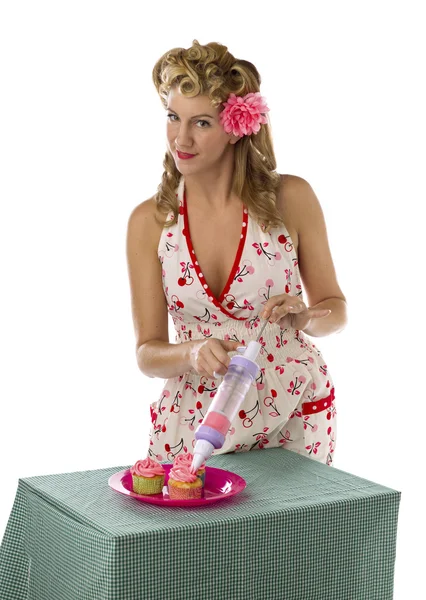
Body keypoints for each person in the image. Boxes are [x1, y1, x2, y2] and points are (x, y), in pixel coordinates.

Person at [126, 40, 348, 467]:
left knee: (295, 537)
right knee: (186, 535)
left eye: (202, 122)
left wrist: (304, 317)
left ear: (235, 127)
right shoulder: (149, 223)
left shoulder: (292, 199)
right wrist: (190, 353)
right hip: (194, 420)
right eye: (173, 117)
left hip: (293, 412)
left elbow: (335, 309)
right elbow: (147, 353)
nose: (182, 137)